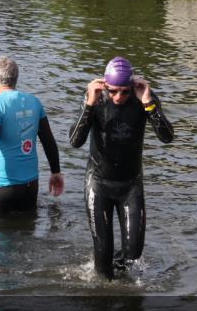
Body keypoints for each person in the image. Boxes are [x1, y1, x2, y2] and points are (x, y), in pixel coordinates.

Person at [69, 57, 174, 280]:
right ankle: (106, 298)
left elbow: (167, 137)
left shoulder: (144, 99)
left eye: (125, 91)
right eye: (113, 91)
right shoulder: (95, 100)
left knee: (133, 252)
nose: (118, 97)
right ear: (105, 86)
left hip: (130, 184)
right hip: (98, 184)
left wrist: (148, 103)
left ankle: (120, 283)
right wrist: (88, 104)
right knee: (103, 260)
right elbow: (75, 141)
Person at [0, 56, 63, 216]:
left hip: (1, 188)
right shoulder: (34, 102)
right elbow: (48, 140)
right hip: (30, 188)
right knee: (26, 234)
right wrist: (56, 172)